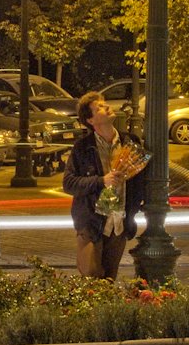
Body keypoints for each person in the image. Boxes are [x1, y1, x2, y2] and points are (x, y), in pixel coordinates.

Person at [63, 90, 149, 280]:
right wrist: (102, 181)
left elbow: (141, 178)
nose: (107, 107)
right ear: (91, 120)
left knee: (110, 278)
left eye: (105, 103)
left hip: (119, 222)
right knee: (92, 275)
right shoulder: (83, 147)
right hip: (92, 222)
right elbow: (69, 183)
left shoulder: (130, 142)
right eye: (99, 107)